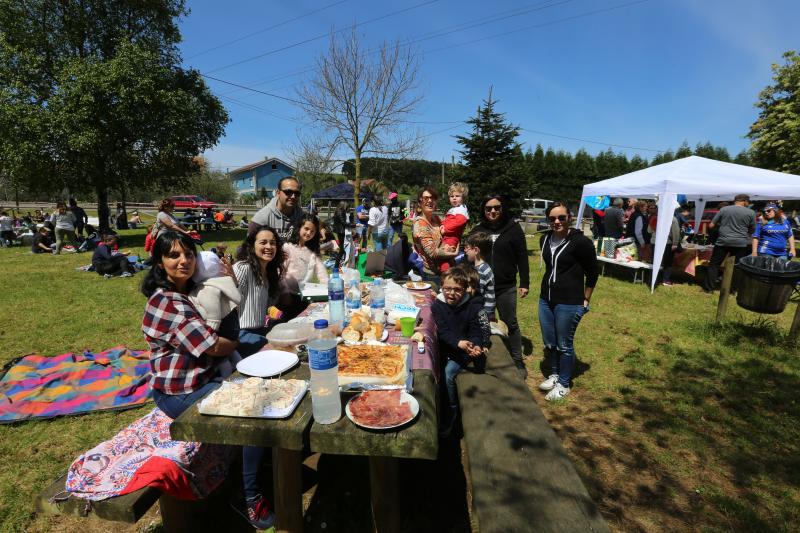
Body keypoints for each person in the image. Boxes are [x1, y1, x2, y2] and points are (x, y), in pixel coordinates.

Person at [140, 232, 275, 530]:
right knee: (254, 411)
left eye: (189, 254)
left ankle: (259, 461)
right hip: (180, 391)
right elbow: (213, 346)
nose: (183, 261)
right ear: (160, 264)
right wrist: (233, 340)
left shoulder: (192, 291)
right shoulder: (167, 302)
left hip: (205, 375)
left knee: (266, 360)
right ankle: (249, 498)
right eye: (173, 255)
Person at [537, 202, 598, 401]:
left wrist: (586, 299)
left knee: (564, 344)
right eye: (552, 218)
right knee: (550, 342)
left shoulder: (581, 242)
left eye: (561, 217)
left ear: (569, 218)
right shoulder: (544, 240)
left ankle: (564, 383)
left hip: (569, 301)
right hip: (546, 298)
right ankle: (555, 375)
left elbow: (593, 272)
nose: (557, 222)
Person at [470, 194, 529, 377]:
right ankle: (481, 353)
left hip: (506, 286)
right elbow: (469, 255)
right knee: (480, 320)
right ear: (484, 210)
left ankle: (517, 360)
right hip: (482, 285)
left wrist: (524, 282)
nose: (493, 211)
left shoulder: (513, 228)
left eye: (496, 207)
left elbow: (522, 257)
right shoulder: (478, 229)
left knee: (510, 322)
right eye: (489, 208)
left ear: (502, 209)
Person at [431, 265, 487, 436]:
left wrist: (476, 345)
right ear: (441, 287)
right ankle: (437, 408)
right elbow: (443, 331)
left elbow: (476, 331)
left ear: (465, 290)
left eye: (457, 289)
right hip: (449, 347)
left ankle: (452, 411)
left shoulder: (471, 306)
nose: (452, 293)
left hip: (463, 352)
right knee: (434, 371)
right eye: (447, 288)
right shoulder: (437, 306)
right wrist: (458, 342)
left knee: (448, 374)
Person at [188, 251, 241, 377]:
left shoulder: (206, 289)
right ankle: (240, 364)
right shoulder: (222, 282)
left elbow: (213, 311)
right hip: (232, 322)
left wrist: (210, 329)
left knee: (221, 359)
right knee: (232, 351)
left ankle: (227, 377)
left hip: (221, 326)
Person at [234, 225, 284, 357]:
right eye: (263, 242)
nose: (269, 247)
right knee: (277, 351)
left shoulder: (269, 272)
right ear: (252, 246)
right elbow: (228, 305)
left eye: (273, 243)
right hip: (240, 334)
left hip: (260, 330)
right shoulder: (242, 268)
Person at [702, 194, 756, 293]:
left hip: (723, 241)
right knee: (736, 266)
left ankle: (709, 289)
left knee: (714, 265)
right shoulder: (751, 212)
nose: (748, 204)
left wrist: (722, 227)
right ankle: (732, 290)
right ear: (744, 201)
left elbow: (711, 225)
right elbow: (752, 229)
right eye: (748, 202)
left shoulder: (724, 209)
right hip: (740, 243)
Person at [412, 187, 459, 286]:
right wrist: (453, 253)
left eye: (433, 198)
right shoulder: (420, 224)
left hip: (447, 268)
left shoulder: (436, 218)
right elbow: (432, 252)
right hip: (433, 275)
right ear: (420, 202)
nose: (430, 200)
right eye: (426, 198)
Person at [283, 213, 329, 297]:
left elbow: (321, 272)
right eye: (306, 229)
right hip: (287, 295)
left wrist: (328, 287)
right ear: (299, 227)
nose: (308, 233)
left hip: (306, 294)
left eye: (312, 231)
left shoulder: (313, 251)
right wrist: (285, 293)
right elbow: (280, 272)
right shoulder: (288, 248)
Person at [250, 176, 303, 242]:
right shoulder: (262, 218)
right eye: (288, 192)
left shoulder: (301, 216)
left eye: (297, 193)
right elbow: (249, 245)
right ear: (278, 193)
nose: (293, 196)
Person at [464, 231, 496, 319]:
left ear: (476, 250)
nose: (465, 250)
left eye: (467, 248)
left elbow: (476, 294)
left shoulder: (480, 271)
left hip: (483, 314)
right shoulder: (483, 267)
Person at [439, 182, 470, 272]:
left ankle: (446, 273)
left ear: (463, 198)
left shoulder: (461, 210)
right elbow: (446, 221)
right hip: (447, 237)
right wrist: (441, 224)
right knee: (449, 257)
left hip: (452, 238)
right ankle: (452, 271)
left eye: (457, 196)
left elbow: (459, 222)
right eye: (452, 196)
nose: (454, 198)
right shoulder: (453, 209)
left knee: (445, 256)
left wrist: (445, 228)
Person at [660, 212, 682, 286]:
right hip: (668, 243)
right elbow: (676, 232)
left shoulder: (660, 218)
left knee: (664, 262)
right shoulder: (673, 219)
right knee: (668, 262)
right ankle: (665, 280)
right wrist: (675, 243)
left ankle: (662, 278)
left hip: (662, 243)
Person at [332, 201, 350, 267]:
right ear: (344, 206)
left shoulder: (338, 211)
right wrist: (354, 225)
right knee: (342, 250)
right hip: (341, 231)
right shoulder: (341, 212)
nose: (347, 208)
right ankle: (336, 266)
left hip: (340, 231)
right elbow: (343, 223)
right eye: (347, 207)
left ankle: (338, 265)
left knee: (342, 250)